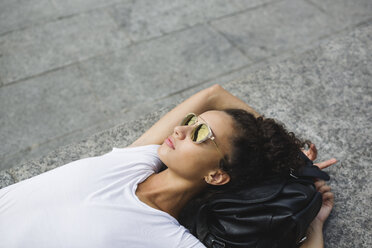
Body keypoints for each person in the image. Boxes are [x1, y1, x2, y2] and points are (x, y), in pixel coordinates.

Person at [0, 84, 335, 247]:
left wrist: (313, 228)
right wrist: (290, 154)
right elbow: (213, 95)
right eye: (191, 121)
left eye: (200, 133)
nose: (180, 128)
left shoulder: (170, 241)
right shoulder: (133, 163)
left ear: (216, 175)